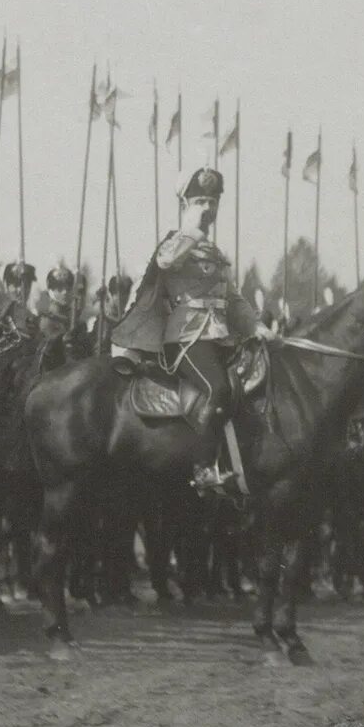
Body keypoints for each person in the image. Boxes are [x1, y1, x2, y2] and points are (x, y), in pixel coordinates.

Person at [112, 166, 263, 495]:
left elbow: (233, 299)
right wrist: (192, 230)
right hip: (186, 339)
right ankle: (203, 468)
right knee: (217, 389)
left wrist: (257, 325)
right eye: (199, 201)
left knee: (252, 386)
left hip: (220, 337)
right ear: (184, 204)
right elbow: (165, 263)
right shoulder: (175, 243)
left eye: (212, 201)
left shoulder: (215, 252)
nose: (208, 208)